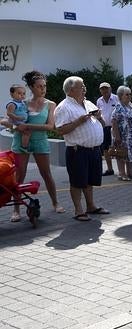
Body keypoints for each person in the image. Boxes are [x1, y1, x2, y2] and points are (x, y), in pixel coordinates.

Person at [0, 70, 65, 222]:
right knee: (19, 175)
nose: (43, 89)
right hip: (21, 141)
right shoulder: (21, 102)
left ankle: (55, 203)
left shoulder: (50, 104)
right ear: (31, 87)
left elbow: (50, 126)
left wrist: (28, 125)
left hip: (40, 141)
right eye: (39, 86)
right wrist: (16, 128)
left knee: (46, 174)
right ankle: (16, 210)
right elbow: (3, 120)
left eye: (44, 86)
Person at [54, 76, 110, 221]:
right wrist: (78, 121)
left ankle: (91, 206)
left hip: (94, 149)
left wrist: (99, 118)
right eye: (81, 86)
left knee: (89, 180)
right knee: (77, 181)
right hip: (77, 150)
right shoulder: (63, 107)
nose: (84, 88)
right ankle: (78, 211)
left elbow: (102, 124)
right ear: (72, 90)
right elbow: (60, 130)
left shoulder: (89, 103)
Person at [111, 85, 132, 181]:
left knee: (130, 154)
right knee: (121, 154)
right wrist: (117, 137)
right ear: (120, 96)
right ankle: (122, 173)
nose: (129, 96)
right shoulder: (118, 108)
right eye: (127, 94)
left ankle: (131, 172)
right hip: (122, 136)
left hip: (131, 136)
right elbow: (114, 122)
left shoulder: (130, 106)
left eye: (130, 94)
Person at [96, 82, 119, 176]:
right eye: (102, 89)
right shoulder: (99, 101)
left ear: (110, 89)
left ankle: (122, 169)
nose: (105, 90)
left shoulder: (116, 98)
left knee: (118, 147)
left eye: (106, 88)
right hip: (104, 127)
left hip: (116, 126)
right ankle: (110, 169)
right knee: (105, 148)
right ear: (100, 90)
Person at [6, 84, 31, 153]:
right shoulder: (12, 104)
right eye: (19, 93)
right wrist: (17, 117)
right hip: (16, 123)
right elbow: (9, 113)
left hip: (21, 122)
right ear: (12, 94)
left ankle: (24, 145)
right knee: (26, 132)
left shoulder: (22, 103)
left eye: (24, 93)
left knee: (26, 132)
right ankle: (24, 147)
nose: (22, 95)